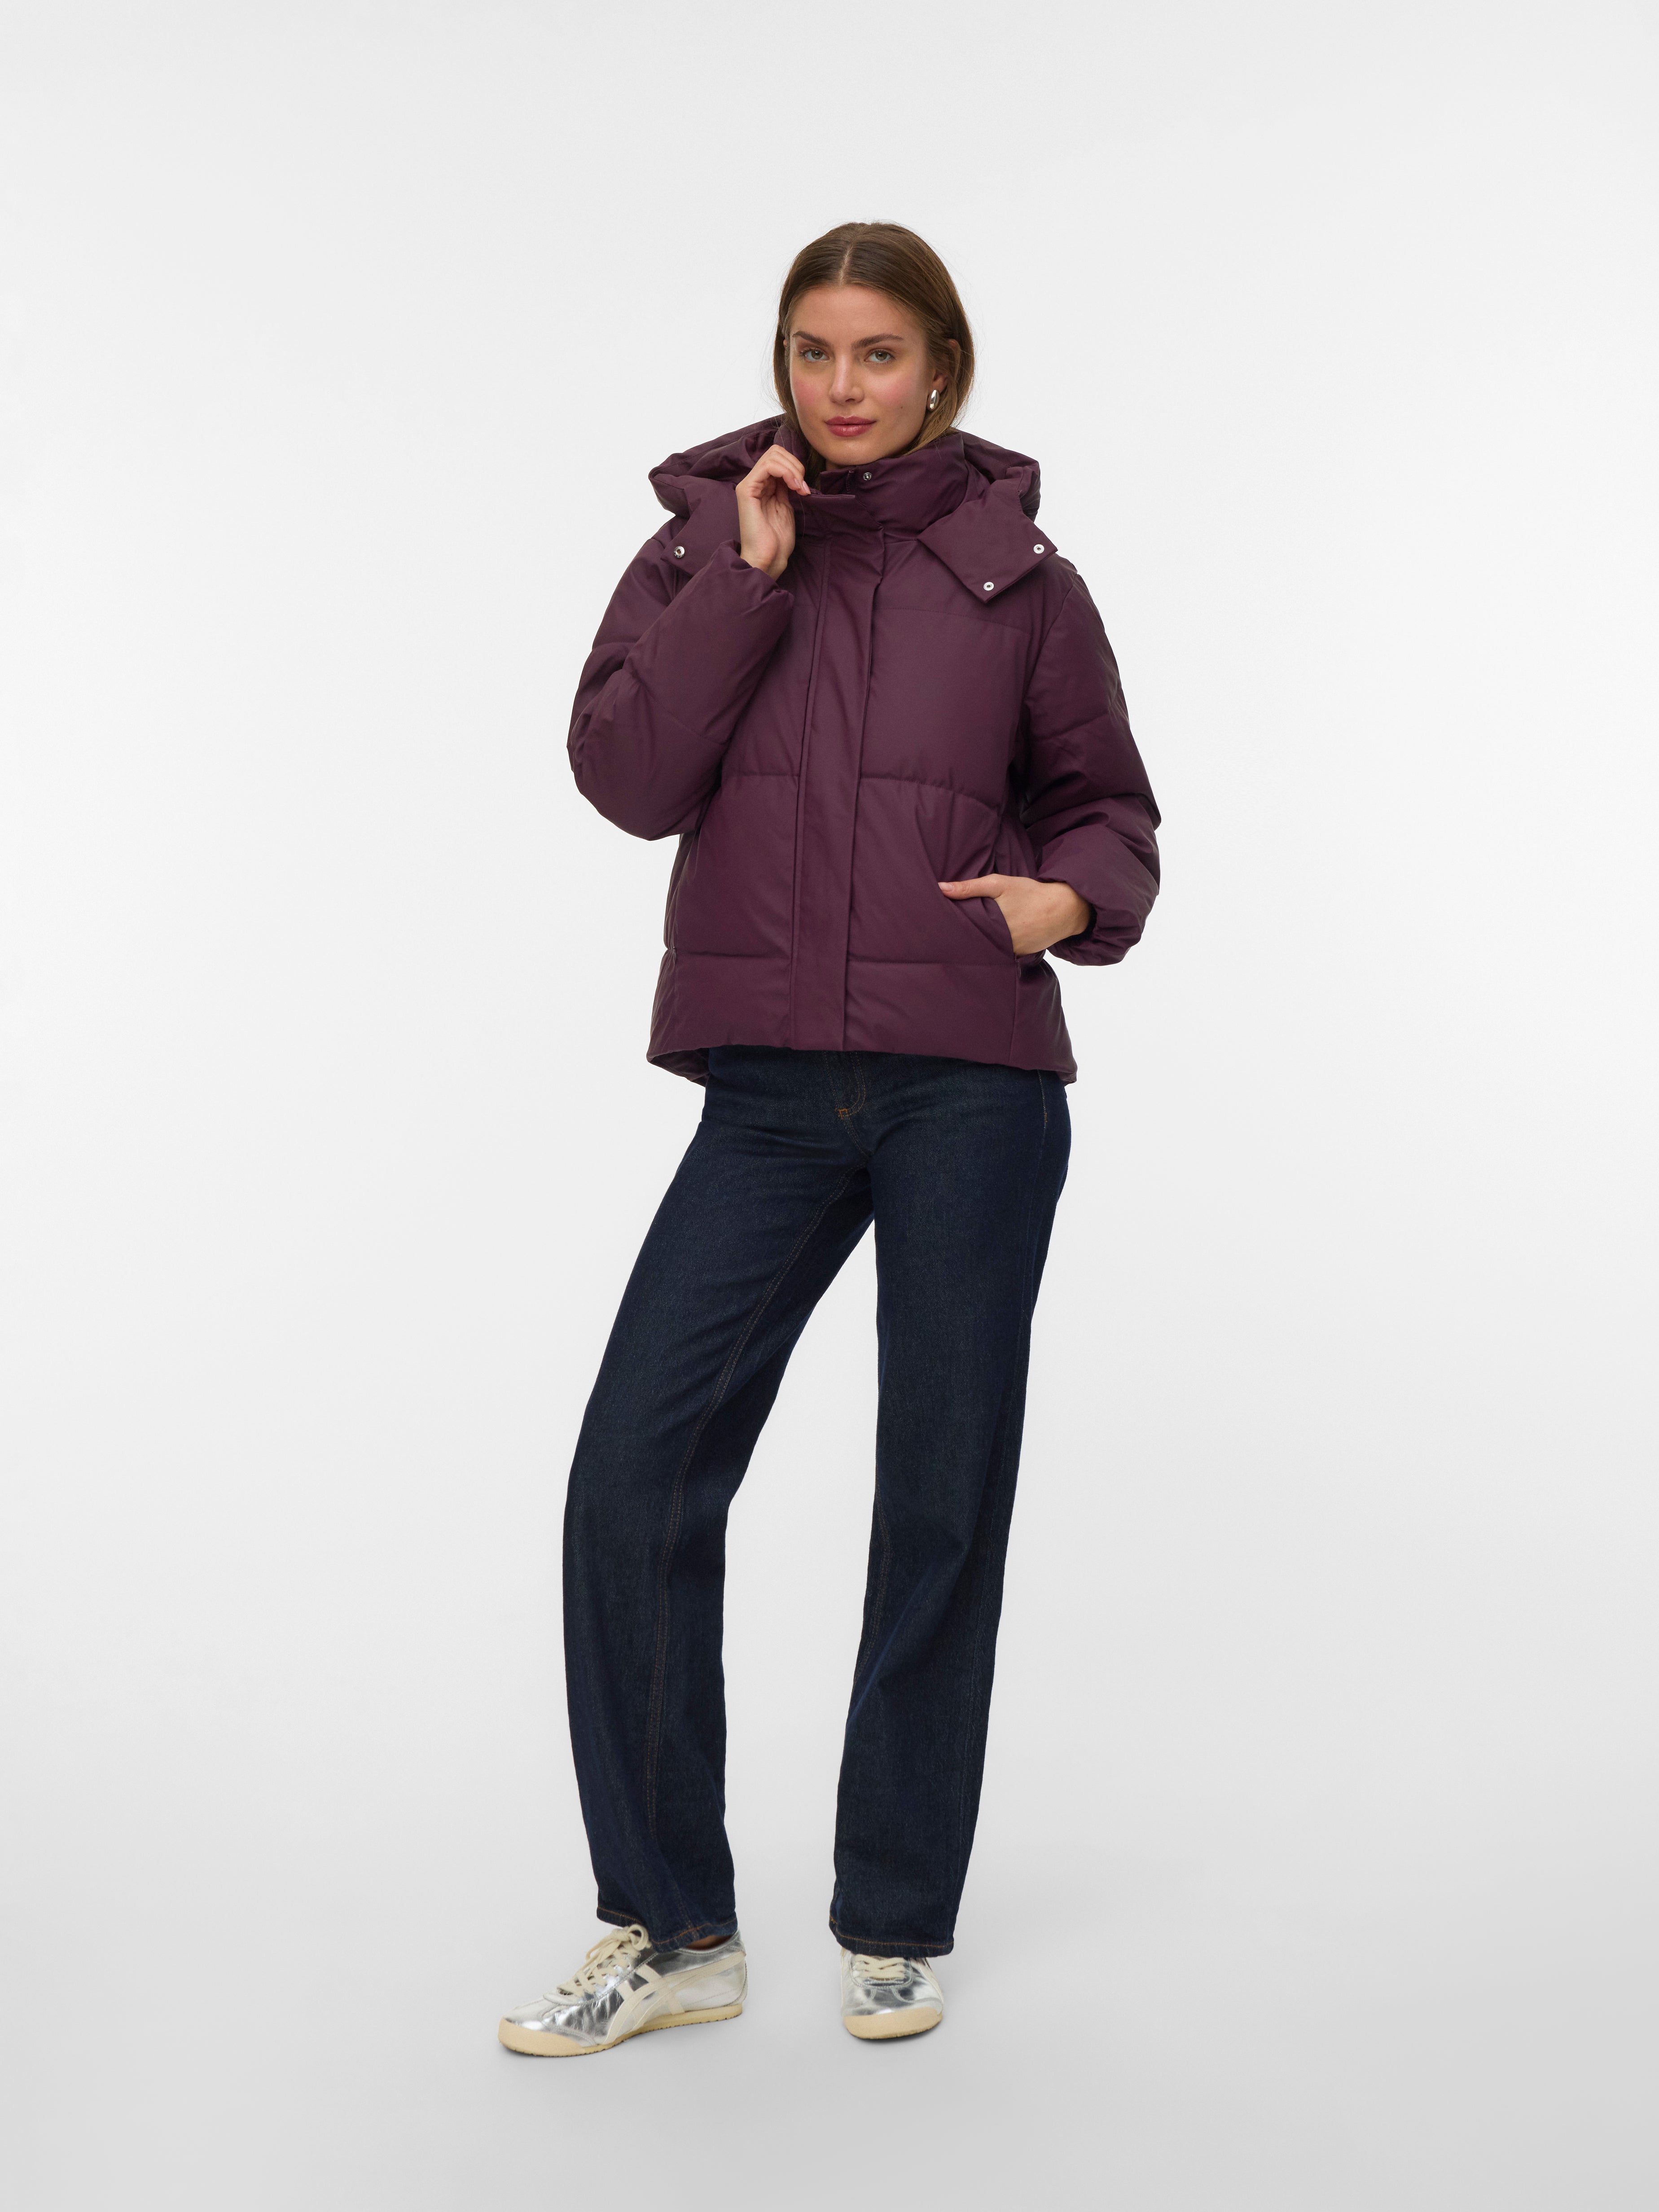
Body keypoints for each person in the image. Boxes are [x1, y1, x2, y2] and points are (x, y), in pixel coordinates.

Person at [499, 221, 1160, 2056]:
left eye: (878, 352)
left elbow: (1110, 807)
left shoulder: (1023, 580)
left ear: (941, 367)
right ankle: (672, 1927)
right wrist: (742, 576)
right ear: (782, 362)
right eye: (814, 350)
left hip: (970, 1080)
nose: (843, 385)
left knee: (940, 1493)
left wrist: (1065, 902)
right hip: (773, 1094)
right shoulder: (706, 543)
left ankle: (897, 1911)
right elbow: (628, 781)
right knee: (634, 1474)